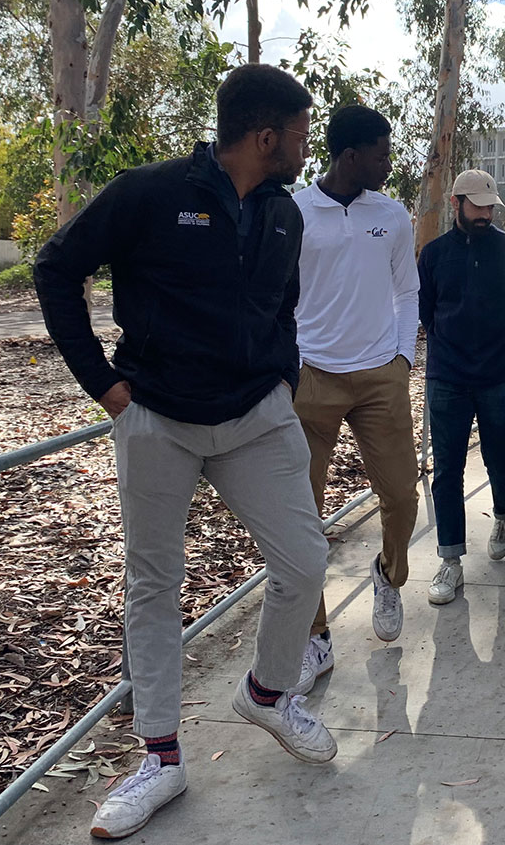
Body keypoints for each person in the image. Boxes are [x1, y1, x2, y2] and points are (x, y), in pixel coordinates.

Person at [33, 64, 337, 840]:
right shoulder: (150, 192)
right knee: (154, 583)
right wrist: (103, 385)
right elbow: (55, 268)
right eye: (301, 134)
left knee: (303, 558)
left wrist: (280, 377)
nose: (308, 146)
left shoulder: (283, 214)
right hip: (157, 417)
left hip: (254, 416)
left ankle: (269, 693)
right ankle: (161, 759)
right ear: (266, 136)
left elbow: (281, 309)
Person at [291, 105, 419, 693]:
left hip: (379, 379)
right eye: (381, 153)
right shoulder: (295, 210)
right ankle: (314, 637)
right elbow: (277, 294)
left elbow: (406, 291)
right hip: (311, 380)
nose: (389, 163)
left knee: (400, 495)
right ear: (350, 157)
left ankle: (388, 576)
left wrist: (401, 360)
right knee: (301, 516)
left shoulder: (391, 215)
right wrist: (291, 363)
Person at [419, 169, 505, 605]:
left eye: (490, 206)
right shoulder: (432, 255)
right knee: (447, 470)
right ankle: (450, 560)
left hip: (500, 377)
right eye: (478, 205)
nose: (486, 213)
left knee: (500, 458)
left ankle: (504, 513)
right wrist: (450, 350)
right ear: (456, 204)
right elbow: (427, 312)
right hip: (447, 377)